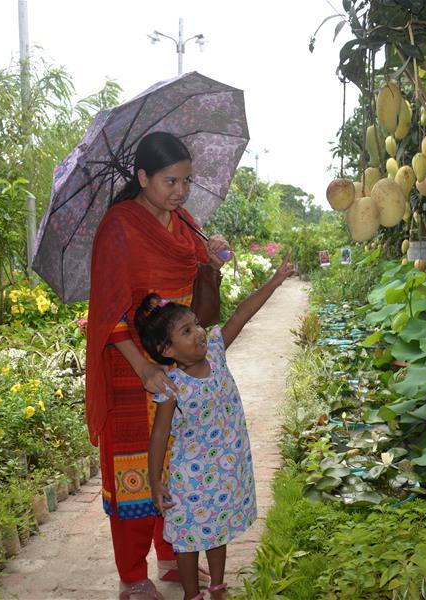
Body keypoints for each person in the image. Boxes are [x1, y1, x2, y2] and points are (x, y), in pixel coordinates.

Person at [85, 131, 232, 600]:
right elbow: (108, 309)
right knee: (134, 472)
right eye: (171, 181)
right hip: (129, 364)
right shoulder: (118, 227)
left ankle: (172, 553)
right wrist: (144, 368)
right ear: (142, 176)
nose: (180, 192)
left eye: (186, 181)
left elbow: (199, 307)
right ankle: (132, 575)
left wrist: (211, 261)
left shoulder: (186, 224)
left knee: (179, 465)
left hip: (177, 361)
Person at [137, 251, 294, 600]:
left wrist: (276, 279)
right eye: (187, 330)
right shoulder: (172, 385)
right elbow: (160, 434)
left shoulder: (217, 353)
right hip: (191, 476)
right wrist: (154, 479)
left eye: (197, 324)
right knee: (188, 537)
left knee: (217, 529)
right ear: (167, 349)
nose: (200, 333)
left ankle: (218, 587)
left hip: (226, 467)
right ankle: (192, 594)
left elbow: (242, 313)